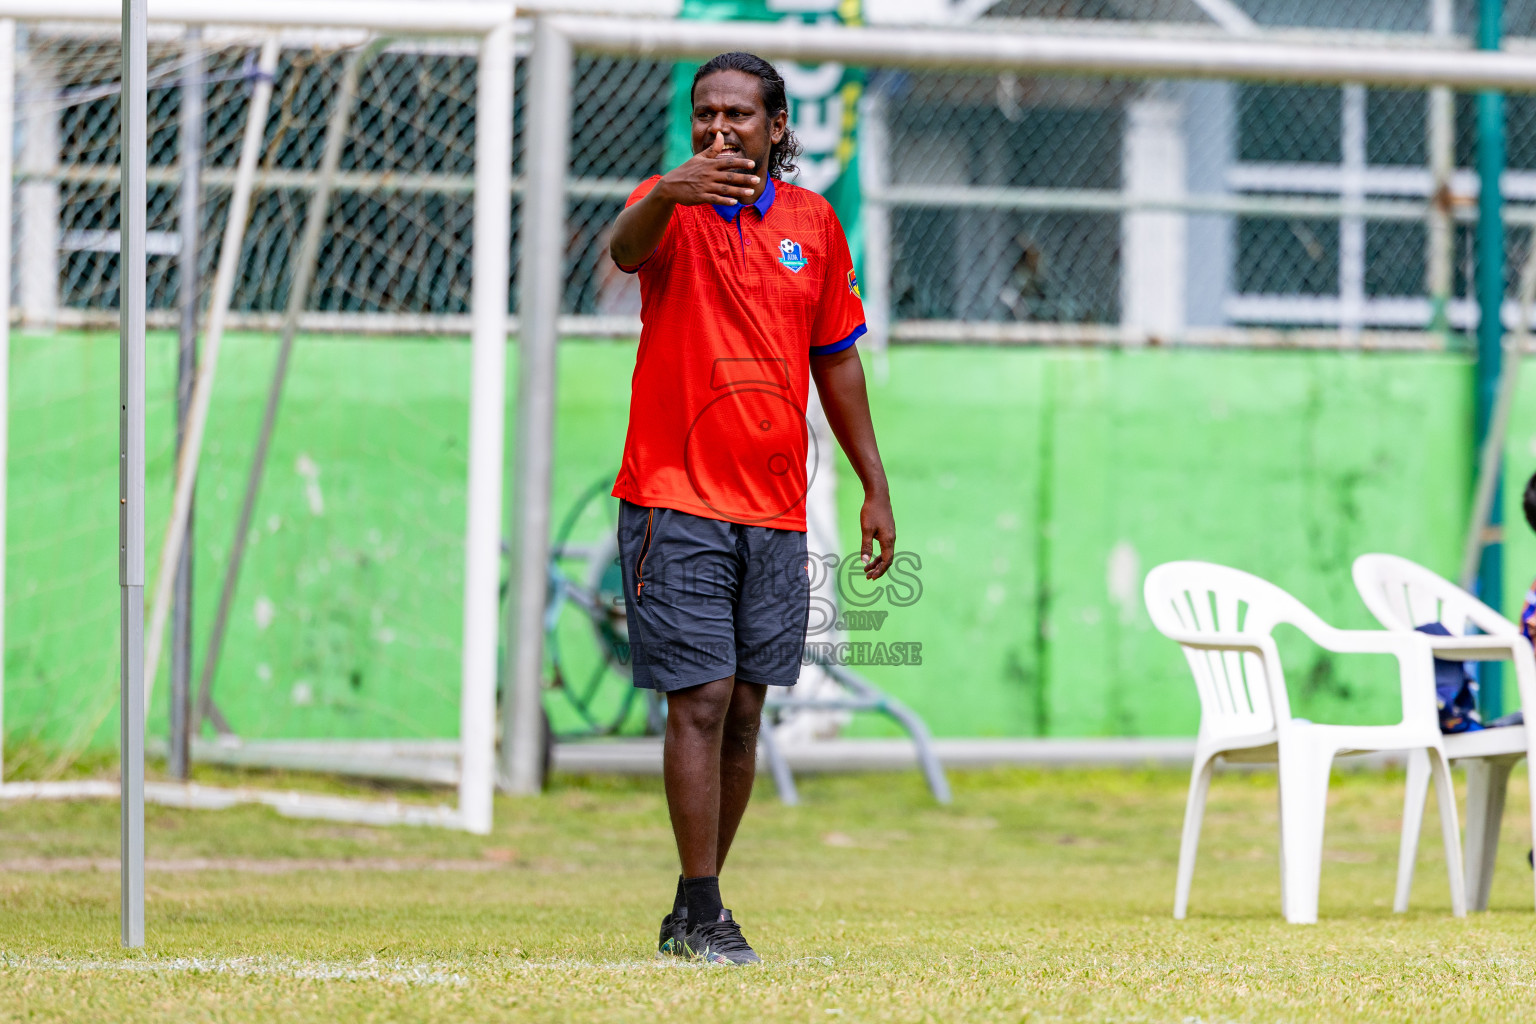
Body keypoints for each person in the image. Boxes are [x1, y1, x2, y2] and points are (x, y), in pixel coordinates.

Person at [607, 51, 895, 965]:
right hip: (672, 496)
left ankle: (694, 912)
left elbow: (837, 360)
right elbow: (622, 249)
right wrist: (673, 189)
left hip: (774, 508)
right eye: (706, 112)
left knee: (745, 710)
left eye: (738, 113)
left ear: (778, 129)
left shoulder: (814, 223)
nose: (719, 127)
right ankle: (704, 904)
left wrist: (872, 483)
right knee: (702, 696)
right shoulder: (668, 206)